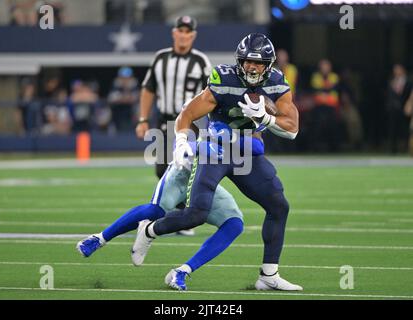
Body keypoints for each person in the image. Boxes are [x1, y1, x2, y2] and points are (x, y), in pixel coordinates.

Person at [132, 33, 302, 291]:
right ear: (239, 61)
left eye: (258, 63)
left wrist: (265, 119)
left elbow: (292, 129)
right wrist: (179, 143)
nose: (252, 67)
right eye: (247, 62)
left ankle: (268, 275)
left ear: (269, 64)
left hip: (246, 151)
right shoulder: (224, 78)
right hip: (216, 148)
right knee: (197, 213)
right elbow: (187, 113)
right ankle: (150, 231)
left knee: (279, 205)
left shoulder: (277, 82)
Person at [76, 129, 245, 291]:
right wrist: (189, 146)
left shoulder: (249, 110)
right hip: (183, 174)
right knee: (155, 210)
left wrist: (263, 122)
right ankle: (100, 239)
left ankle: (182, 271)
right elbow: (182, 124)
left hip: (206, 182)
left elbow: (257, 145)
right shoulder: (205, 104)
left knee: (234, 223)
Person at [136, 15, 211, 236]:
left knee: (184, 168)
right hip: (163, 120)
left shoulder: (200, 61)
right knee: (161, 169)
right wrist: (143, 119)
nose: (184, 35)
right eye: (181, 30)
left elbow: (211, 94)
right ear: (174, 32)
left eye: (189, 32)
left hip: (190, 123)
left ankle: (182, 217)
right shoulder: (160, 59)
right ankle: (177, 214)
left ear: (193, 35)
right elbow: (148, 88)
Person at [309, 59, 342, 152]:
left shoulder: (334, 77)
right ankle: (314, 147)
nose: (324, 68)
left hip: (331, 107)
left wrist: (323, 90)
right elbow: (315, 89)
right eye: (322, 66)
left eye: (326, 66)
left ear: (330, 67)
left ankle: (335, 148)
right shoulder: (316, 76)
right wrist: (326, 89)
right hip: (319, 107)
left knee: (333, 126)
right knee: (316, 126)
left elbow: (334, 88)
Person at [385, 64, 412, 153]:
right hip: (393, 109)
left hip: (404, 108)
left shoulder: (409, 81)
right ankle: (393, 149)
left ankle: (407, 148)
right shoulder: (392, 81)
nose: (396, 71)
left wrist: (408, 105)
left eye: (398, 69)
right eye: (395, 70)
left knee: (405, 129)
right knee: (392, 129)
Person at [107, 67, 139, 132]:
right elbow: (111, 98)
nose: (125, 80)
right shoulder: (116, 86)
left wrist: (126, 96)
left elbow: (136, 98)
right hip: (117, 113)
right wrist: (123, 98)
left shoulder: (134, 86)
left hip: (131, 112)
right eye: (123, 78)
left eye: (127, 78)